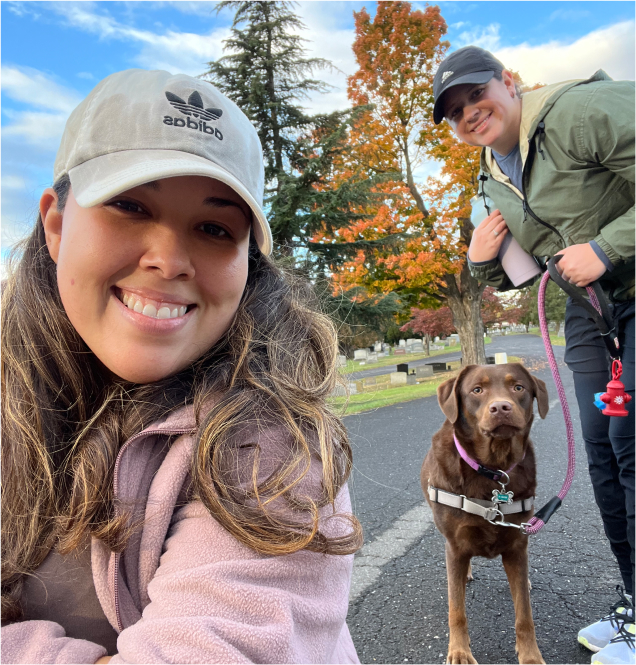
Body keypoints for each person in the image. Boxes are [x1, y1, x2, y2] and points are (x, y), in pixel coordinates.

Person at [1, 69, 363, 664]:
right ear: (57, 225)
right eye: (129, 205)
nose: (168, 260)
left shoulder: (273, 443)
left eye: (214, 228)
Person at [432, 46, 635, 664]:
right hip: (590, 312)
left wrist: (606, 246)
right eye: (455, 110)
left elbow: (594, 245)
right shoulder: (495, 174)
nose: (470, 113)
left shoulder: (581, 110)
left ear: (509, 83)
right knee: (602, 449)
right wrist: (482, 259)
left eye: (477, 94)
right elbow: (522, 277)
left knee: (633, 445)